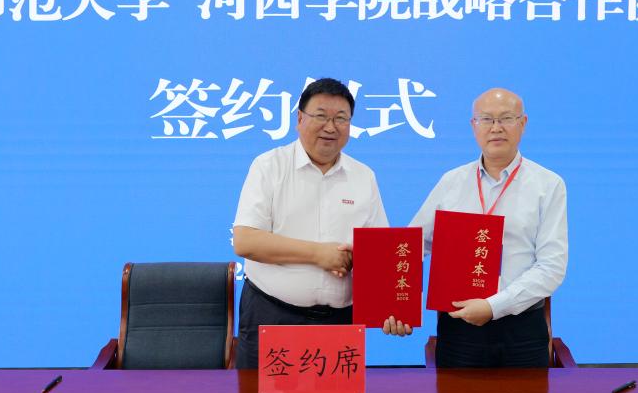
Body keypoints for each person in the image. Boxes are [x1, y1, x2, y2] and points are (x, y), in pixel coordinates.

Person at [393, 88, 568, 368]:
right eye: (486, 119)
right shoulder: (452, 182)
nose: (496, 128)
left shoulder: (548, 185)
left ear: (523, 123)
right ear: (473, 126)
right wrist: (394, 304)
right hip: (459, 330)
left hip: (521, 329)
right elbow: (411, 245)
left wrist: (493, 306)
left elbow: (552, 267)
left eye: (506, 118)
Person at [232, 78, 392, 369]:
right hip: (272, 316)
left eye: (341, 118)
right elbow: (245, 240)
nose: (331, 127)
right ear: (299, 119)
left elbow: (381, 250)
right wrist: (319, 254)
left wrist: (392, 308)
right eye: (321, 116)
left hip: (339, 323)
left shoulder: (363, 176)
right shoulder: (269, 166)